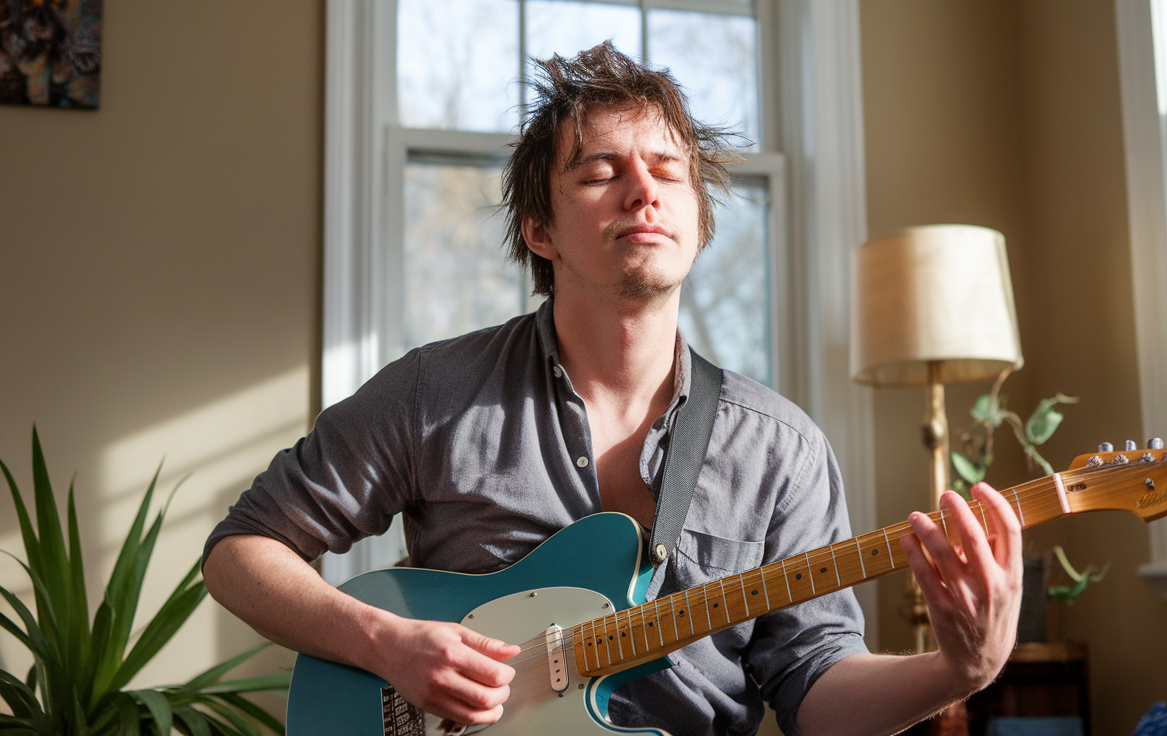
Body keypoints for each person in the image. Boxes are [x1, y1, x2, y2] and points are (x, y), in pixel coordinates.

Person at [202, 43, 1023, 736]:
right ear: (540, 231)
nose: (644, 190)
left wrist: (961, 668)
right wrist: (388, 644)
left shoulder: (783, 448)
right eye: (601, 170)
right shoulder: (435, 392)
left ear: (698, 220)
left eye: (669, 169)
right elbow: (242, 554)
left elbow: (817, 691)